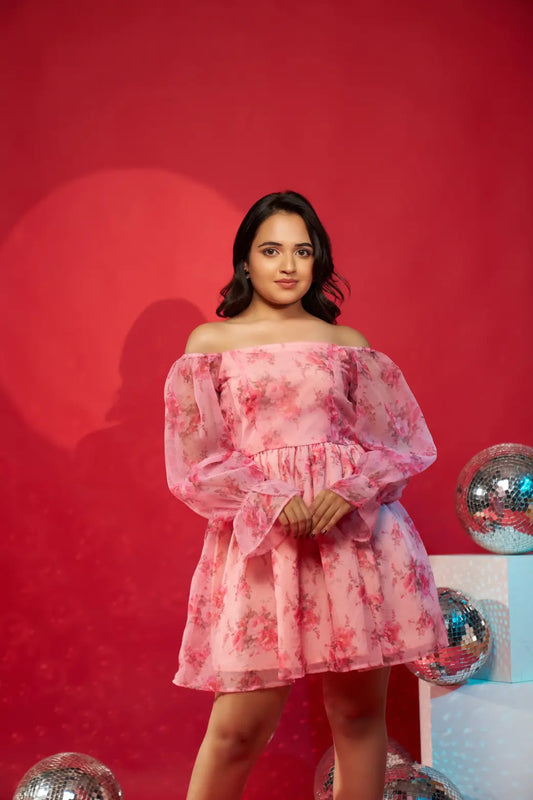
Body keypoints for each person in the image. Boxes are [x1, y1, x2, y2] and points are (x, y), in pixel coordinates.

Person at [164, 190, 447, 800]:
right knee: (238, 731)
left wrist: (350, 491)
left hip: (353, 542)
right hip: (265, 547)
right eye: (272, 250)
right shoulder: (208, 346)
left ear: (318, 261)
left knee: (358, 717)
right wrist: (267, 497)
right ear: (246, 262)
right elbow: (195, 462)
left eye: (303, 250)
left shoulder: (347, 340)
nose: (289, 265)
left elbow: (400, 443)